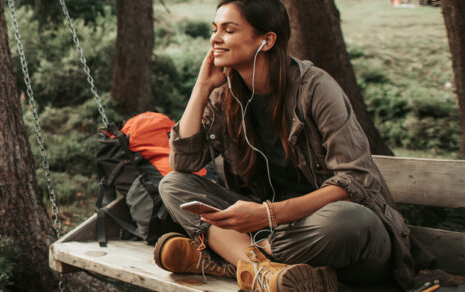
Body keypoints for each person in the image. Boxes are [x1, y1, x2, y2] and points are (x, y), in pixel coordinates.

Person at [151, 0, 431, 291]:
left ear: (267, 40)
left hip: (333, 234)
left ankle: (232, 262)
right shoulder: (226, 96)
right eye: (214, 29)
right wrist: (202, 87)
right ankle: (262, 271)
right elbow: (183, 163)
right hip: (272, 230)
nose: (215, 39)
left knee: (348, 220)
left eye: (228, 30)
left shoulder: (316, 89)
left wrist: (267, 215)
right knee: (173, 184)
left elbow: (355, 181)